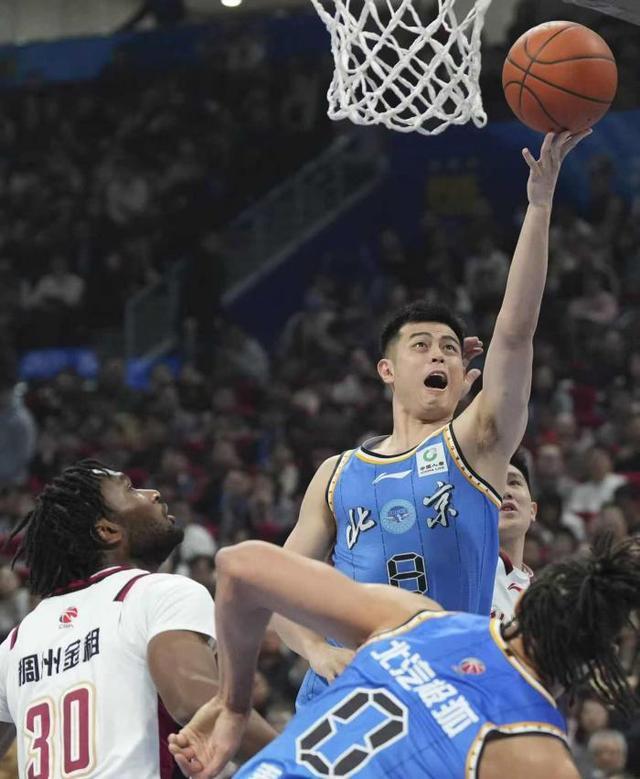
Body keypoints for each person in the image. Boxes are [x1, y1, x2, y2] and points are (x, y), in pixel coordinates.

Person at [277, 130, 591, 706]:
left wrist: (539, 206)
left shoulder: (478, 447)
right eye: (420, 346)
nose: (438, 356)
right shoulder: (337, 473)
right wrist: (317, 652)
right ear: (387, 370)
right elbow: (278, 588)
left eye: (449, 348)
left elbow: (515, 332)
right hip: (341, 699)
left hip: (442, 696)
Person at [168, 535, 640, 779]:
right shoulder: (536, 752)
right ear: (592, 664)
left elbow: (240, 566)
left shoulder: (418, 618)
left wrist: (233, 705)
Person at [0, 460, 274, 777]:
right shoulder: (155, 592)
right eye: (130, 489)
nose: (153, 493)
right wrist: (299, 758)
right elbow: (193, 704)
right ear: (107, 531)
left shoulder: (16, 642)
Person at [491, 451, 536, 622]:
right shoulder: (459, 572)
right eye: (495, 483)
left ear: (532, 511)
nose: (506, 492)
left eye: (514, 482)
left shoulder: (547, 600)